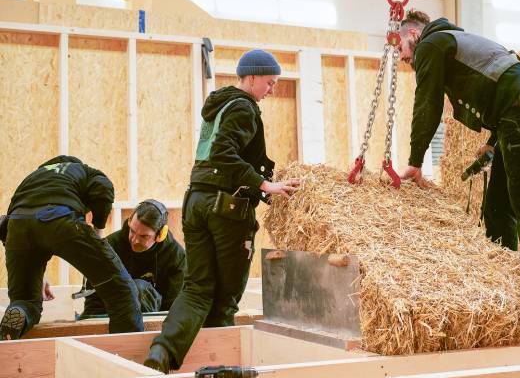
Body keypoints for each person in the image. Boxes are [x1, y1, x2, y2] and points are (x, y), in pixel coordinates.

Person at [396, 10, 520, 322]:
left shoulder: (432, 44)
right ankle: (512, 292)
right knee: (497, 209)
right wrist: (494, 142)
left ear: (412, 35)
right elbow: (506, 81)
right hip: (514, 112)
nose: (402, 57)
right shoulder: (456, 41)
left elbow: (426, 103)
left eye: (399, 47)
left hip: (518, 111)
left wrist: (415, 162)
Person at [143, 50, 300, 373]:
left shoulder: (219, 106)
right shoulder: (243, 108)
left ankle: (162, 350)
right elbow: (224, 153)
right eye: (269, 83)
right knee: (226, 297)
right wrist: (264, 185)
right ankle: (220, 370)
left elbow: (218, 156)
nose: (271, 90)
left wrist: (267, 189)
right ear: (252, 77)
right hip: (225, 210)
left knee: (198, 287)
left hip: (196, 201)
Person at [0, 156, 143, 340]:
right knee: (121, 290)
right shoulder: (84, 171)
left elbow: (10, 224)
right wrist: (98, 232)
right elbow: (104, 188)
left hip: (18, 227)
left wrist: (36, 274)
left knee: (25, 300)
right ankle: (128, 356)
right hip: (60, 219)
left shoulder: (33, 177)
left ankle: (18, 315)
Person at [81, 200, 186, 317]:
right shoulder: (110, 246)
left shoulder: (176, 256)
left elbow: (173, 307)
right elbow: (93, 300)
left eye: (144, 236)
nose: (135, 240)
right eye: (132, 230)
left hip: (153, 319)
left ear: (160, 235)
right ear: (130, 221)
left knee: (139, 289)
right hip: (112, 316)